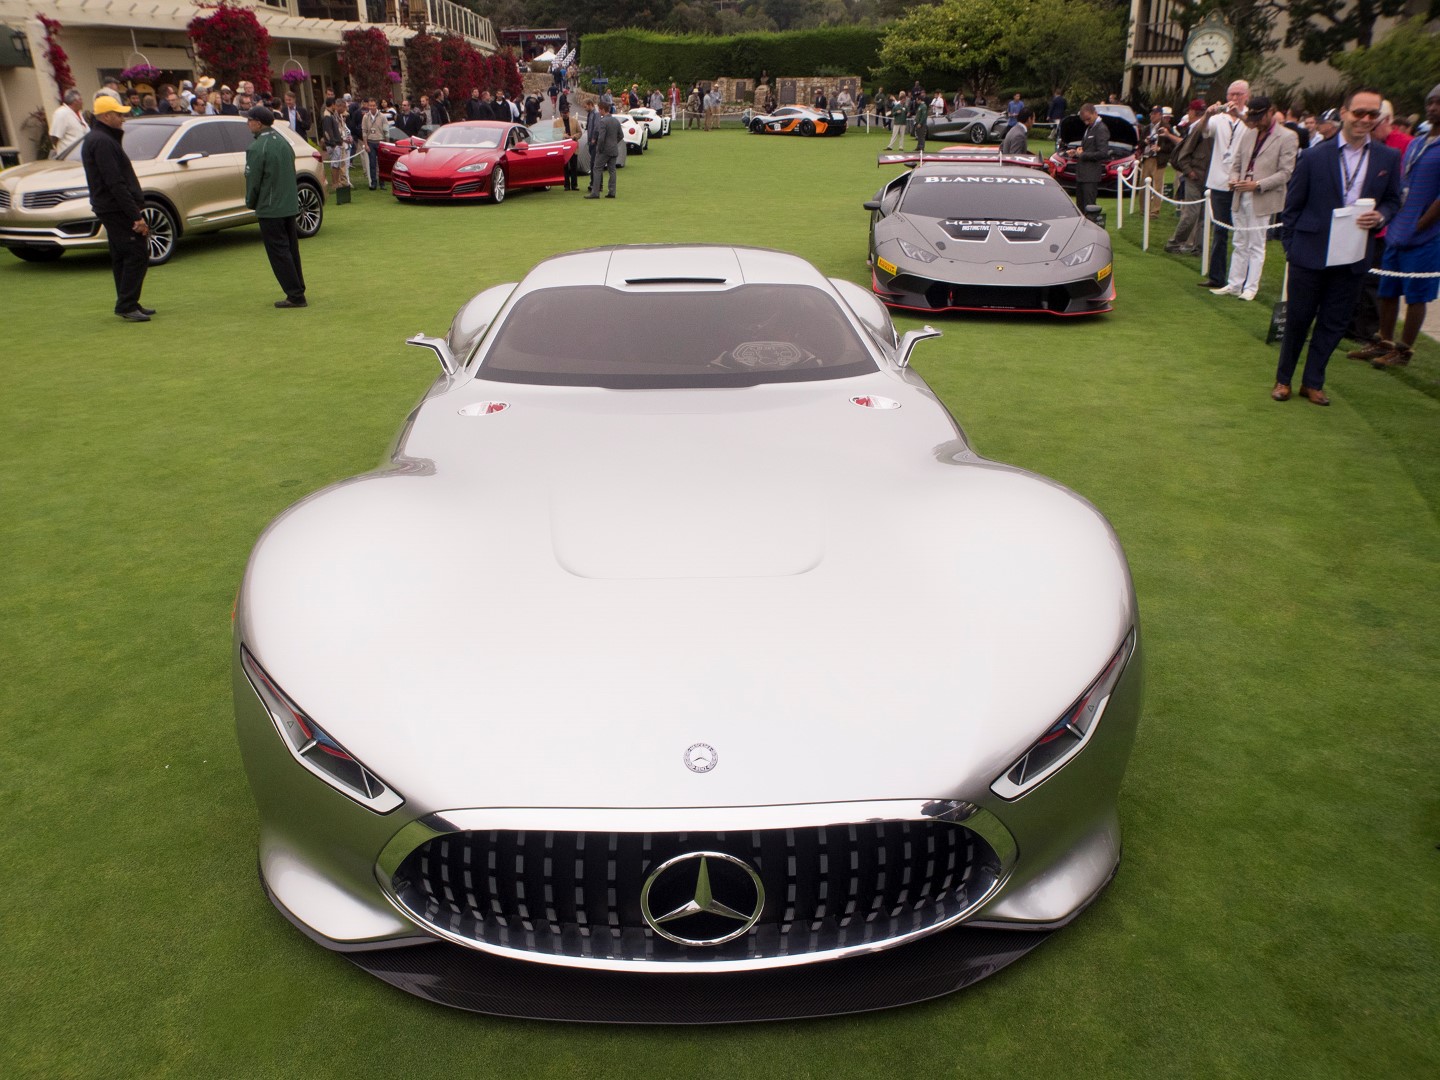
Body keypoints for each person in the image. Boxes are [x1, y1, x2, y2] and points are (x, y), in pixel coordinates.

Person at [1272, 88, 1402, 406]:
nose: (1365, 119)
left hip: (1354, 254)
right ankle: (1283, 379)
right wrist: (1292, 247)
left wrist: (1381, 216)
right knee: (1298, 319)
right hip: (1309, 252)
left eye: (1373, 114)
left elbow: (1392, 200)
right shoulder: (1314, 156)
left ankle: (1313, 382)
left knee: (1334, 322)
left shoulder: (1387, 157)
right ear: (1344, 113)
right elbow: (1292, 208)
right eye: (1359, 112)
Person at [1351, 84, 1440, 369]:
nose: (1433, 108)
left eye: (1438, 103)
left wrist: (1420, 224)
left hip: (1427, 235)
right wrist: (1398, 219)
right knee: (1387, 288)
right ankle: (1384, 341)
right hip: (1399, 228)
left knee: (1416, 293)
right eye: (1430, 102)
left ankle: (1404, 350)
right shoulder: (1417, 143)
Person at [1212, 95, 1297, 301]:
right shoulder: (1249, 134)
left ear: (1270, 112)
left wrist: (1257, 184)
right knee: (1239, 240)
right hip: (1241, 193)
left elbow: (1285, 173)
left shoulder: (1287, 136)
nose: (1256, 122)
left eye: (1260, 118)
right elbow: (1237, 163)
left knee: (1256, 243)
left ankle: (1251, 287)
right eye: (1253, 118)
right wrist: (1233, 179)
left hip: (1262, 195)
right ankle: (1234, 284)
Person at [80, 95, 151, 321]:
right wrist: (135, 215)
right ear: (106, 116)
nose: (122, 119)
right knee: (136, 253)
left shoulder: (100, 139)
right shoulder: (102, 141)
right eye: (119, 115)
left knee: (122, 255)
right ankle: (127, 305)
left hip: (110, 206)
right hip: (115, 207)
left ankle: (129, 302)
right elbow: (115, 181)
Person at [244, 106, 307, 309]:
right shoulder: (283, 142)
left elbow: (253, 181)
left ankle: (295, 295)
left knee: (279, 253)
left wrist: (250, 202)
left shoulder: (257, 147)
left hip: (271, 208)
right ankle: (298, 289)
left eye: (250, 120)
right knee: (291, 250)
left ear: (258, 123)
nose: (248, 123)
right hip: (288, 205)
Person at [1194, 81, 1252, 289]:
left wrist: (1241, 115)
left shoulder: (1250, 117)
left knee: (1244, 233)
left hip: (1243, 182)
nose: (1234, 98)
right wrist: (1207, 114)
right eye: (1231, 94)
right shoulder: (1218, 118)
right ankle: (1217, 277)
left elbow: (1257, 130)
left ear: (1247, 96)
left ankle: (1241, 279)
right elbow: (1202, 132)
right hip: (1219, 181)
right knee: (1220, 231)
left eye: (1238, 94)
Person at [1166, 100, 1212, 254]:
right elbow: (1185, 154)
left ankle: (1198, 247)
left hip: (1205, 175)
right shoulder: (1198, 127)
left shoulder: (1201, 127)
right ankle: (1175, 242)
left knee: (1201, 215)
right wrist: (1189, 171)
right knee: (1192, 214)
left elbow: (1184, 153)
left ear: (1192, 112)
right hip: (1196, 174)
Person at [1068, 102, 1109, 211]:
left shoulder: (1101, 129)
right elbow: (1089, 148)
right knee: (1080, 207)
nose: (1086, 122)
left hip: (1091, 176)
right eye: (1084, 120)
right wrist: (1076, 152)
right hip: (1082, 175)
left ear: (1095, 113)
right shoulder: (1090, 127)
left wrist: (1083, 155)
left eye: (1088, 119)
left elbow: (1103, 153)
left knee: (1089, 207)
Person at [586, 100, 622, 199]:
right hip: (613, 149)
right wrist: (614, 143)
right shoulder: (616, 121)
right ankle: (612, 192)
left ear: (602, 110)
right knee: (612, 171)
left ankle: (595, 192)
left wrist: (599, 148)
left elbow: (601, 138)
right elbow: (621, 135)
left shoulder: (603, 121)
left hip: (604, 150)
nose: (599, 111)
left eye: (599, 109)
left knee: (597, 169)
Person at [49, 89, 89, 157]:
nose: (82, 102)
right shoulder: (61, 113)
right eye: (80, 99)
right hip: (69, 157)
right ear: (74, 102)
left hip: (84, 155)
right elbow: (54, 136)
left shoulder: (79, 113)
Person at [321, 99, 349, 192]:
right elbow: (327, 132)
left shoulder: (330, 115)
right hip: (333, 144)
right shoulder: (327, 116)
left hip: (336, 143)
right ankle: (335, 183)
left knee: (337, 164)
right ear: (332, 105)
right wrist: (333, 144)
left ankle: (337, 183)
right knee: (335, 165)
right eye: (335, 105)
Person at [362, 98, 387, 190]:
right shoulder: (365, 117)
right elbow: (364, 131)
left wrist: (386, 144)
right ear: (368, 106)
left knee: (381, 164)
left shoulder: (382, 116)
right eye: (370, 106)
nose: (372, 107)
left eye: (373, 105)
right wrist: (366, 144)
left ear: (376, 106)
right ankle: (373, 183)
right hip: (370, 142)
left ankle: (382, 183)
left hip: (380, 142)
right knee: (372, 164)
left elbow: (386, 131)